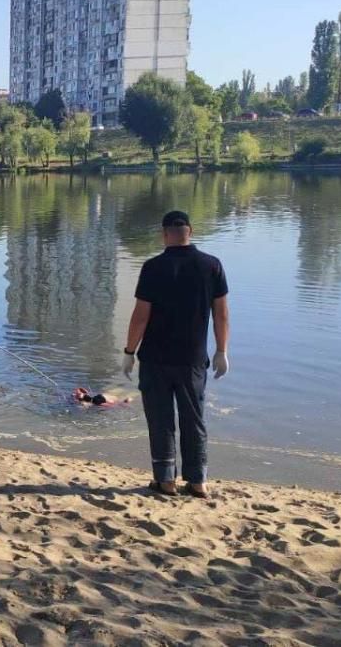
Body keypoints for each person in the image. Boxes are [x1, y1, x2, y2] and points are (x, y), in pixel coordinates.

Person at [122, 211, 229, 498]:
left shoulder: (153, 267)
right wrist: (221, 350)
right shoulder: (211, 266)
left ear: (164, 234)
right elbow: (221, 314)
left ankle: (166, 480)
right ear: (190, 232)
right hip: (193, 359)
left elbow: (140, 317)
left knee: (160, 419)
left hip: (156, 357)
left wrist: (129, 351)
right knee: (194, 418)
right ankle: (197, 481)